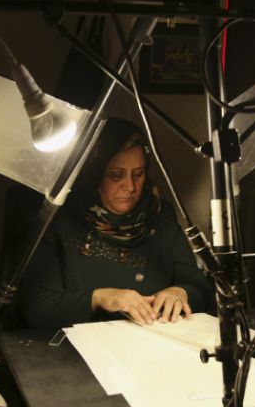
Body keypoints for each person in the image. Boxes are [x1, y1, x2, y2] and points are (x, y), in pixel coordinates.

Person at [18, 117, 214, 328]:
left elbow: (200, 287)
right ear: (94, 174)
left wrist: (180, 292)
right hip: (79, 350)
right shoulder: (59, 219)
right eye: (116, 175)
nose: (130, 186)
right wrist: (100, 298)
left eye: (138, 174)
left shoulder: (158, 214)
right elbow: (37, 308)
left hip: (150, 345)